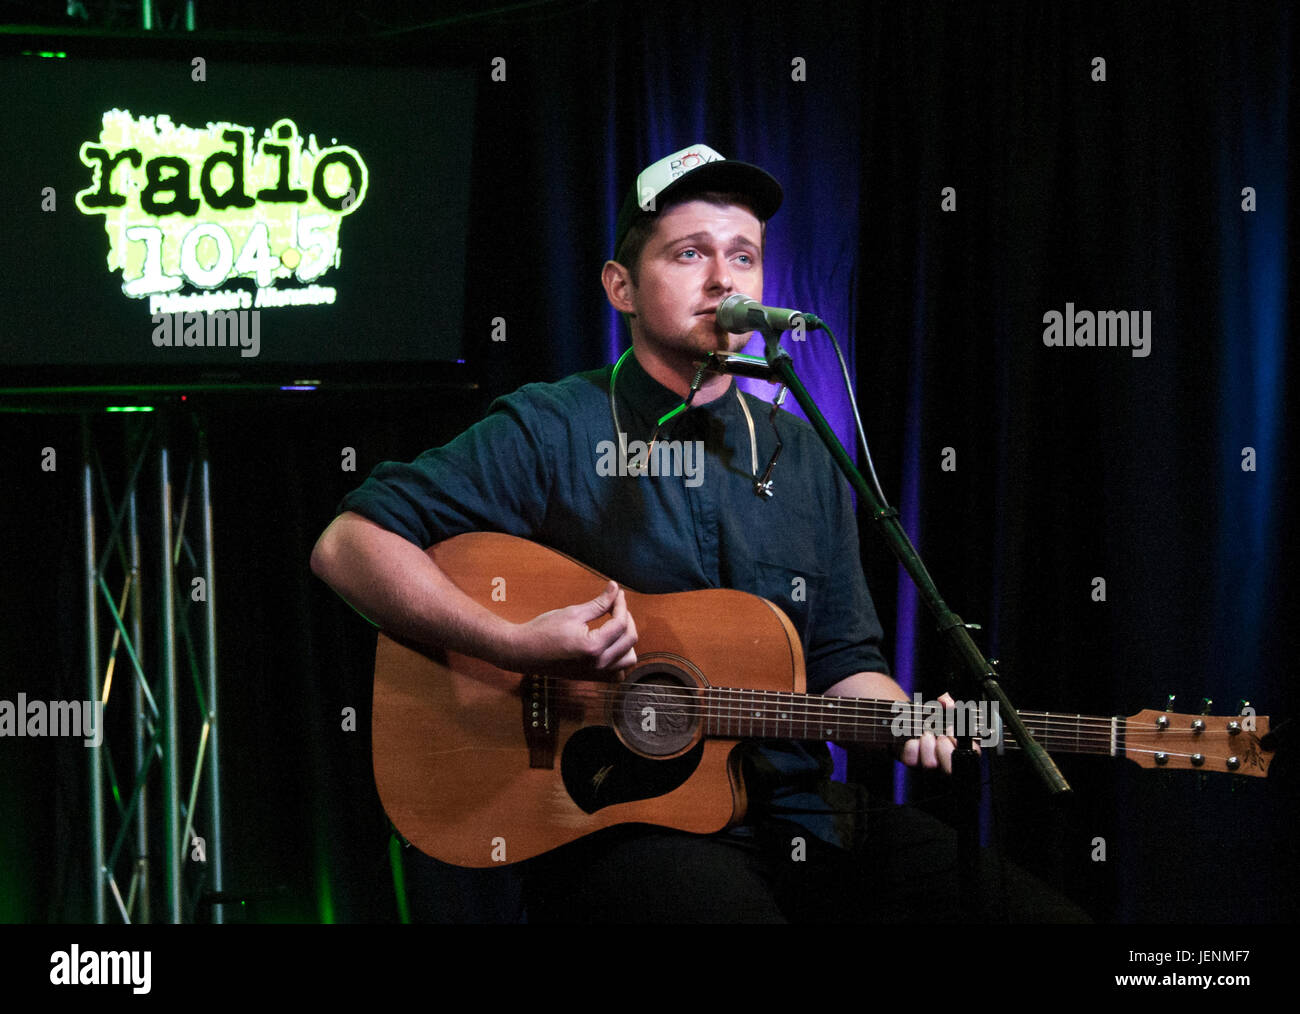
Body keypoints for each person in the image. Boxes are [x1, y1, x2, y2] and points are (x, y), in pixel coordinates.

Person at [311, 144, 1074, 923]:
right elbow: (349, 545)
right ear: (622, 288)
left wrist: (906, 720)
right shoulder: (552, 426)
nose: (724, 279)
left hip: (798, 810)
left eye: (744, 257)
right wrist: (512, 644)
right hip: (616, 821)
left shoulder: (807, 450)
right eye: (690, 254)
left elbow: (845, 660)